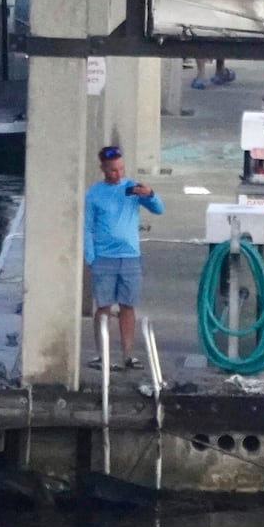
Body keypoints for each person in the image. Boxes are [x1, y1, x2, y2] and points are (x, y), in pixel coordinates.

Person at [84, 144, 164, 368]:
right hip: (103, 258)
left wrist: (150, 194)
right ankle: (102, 355)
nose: (118, 174)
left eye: (121, 168)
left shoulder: (132, 188)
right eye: (113, 170)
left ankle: (127, 354)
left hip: (130, 257)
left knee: (128, 305)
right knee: (103, 307)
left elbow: (159, 209)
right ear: (103, 169)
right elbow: (87, 227)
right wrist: (91, 257)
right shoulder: (93, 194)